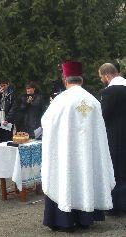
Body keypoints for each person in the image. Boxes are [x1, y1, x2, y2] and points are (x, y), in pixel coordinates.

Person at [41, 61, 116, 232]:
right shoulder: (93, 101)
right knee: (86, 176)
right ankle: (85, 218)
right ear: (81, 79)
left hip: (67, 154)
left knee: (66, 179)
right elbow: (100, 134)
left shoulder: (60, 101)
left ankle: (64, 220)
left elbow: (46, 123)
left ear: (65, 79)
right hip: (88, 155)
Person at [98, 63, 126, 216]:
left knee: (116, 170)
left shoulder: (109, 92)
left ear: (107, 75)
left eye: (102, 77)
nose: (103, 80)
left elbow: (103, 116)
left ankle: (118, 205)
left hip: (116, 136)